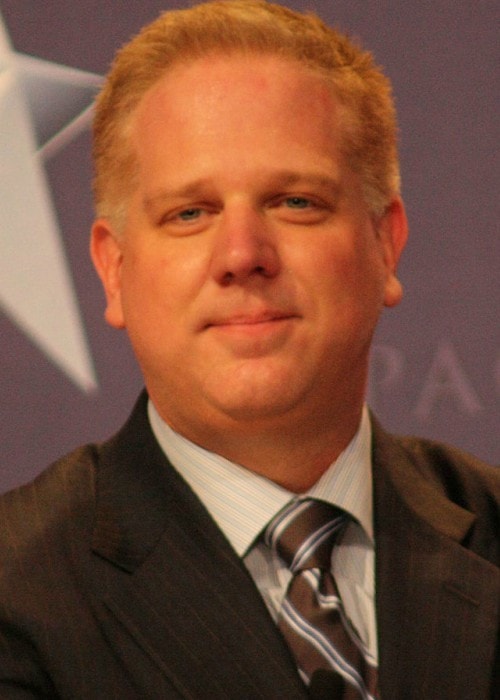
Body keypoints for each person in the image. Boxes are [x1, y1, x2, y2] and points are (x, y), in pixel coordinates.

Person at [0, 1, 498, 698]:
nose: (242, 255)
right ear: (114, 269)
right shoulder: (16, 593)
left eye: (295, 202)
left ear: (384, 244)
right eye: (190, 213)